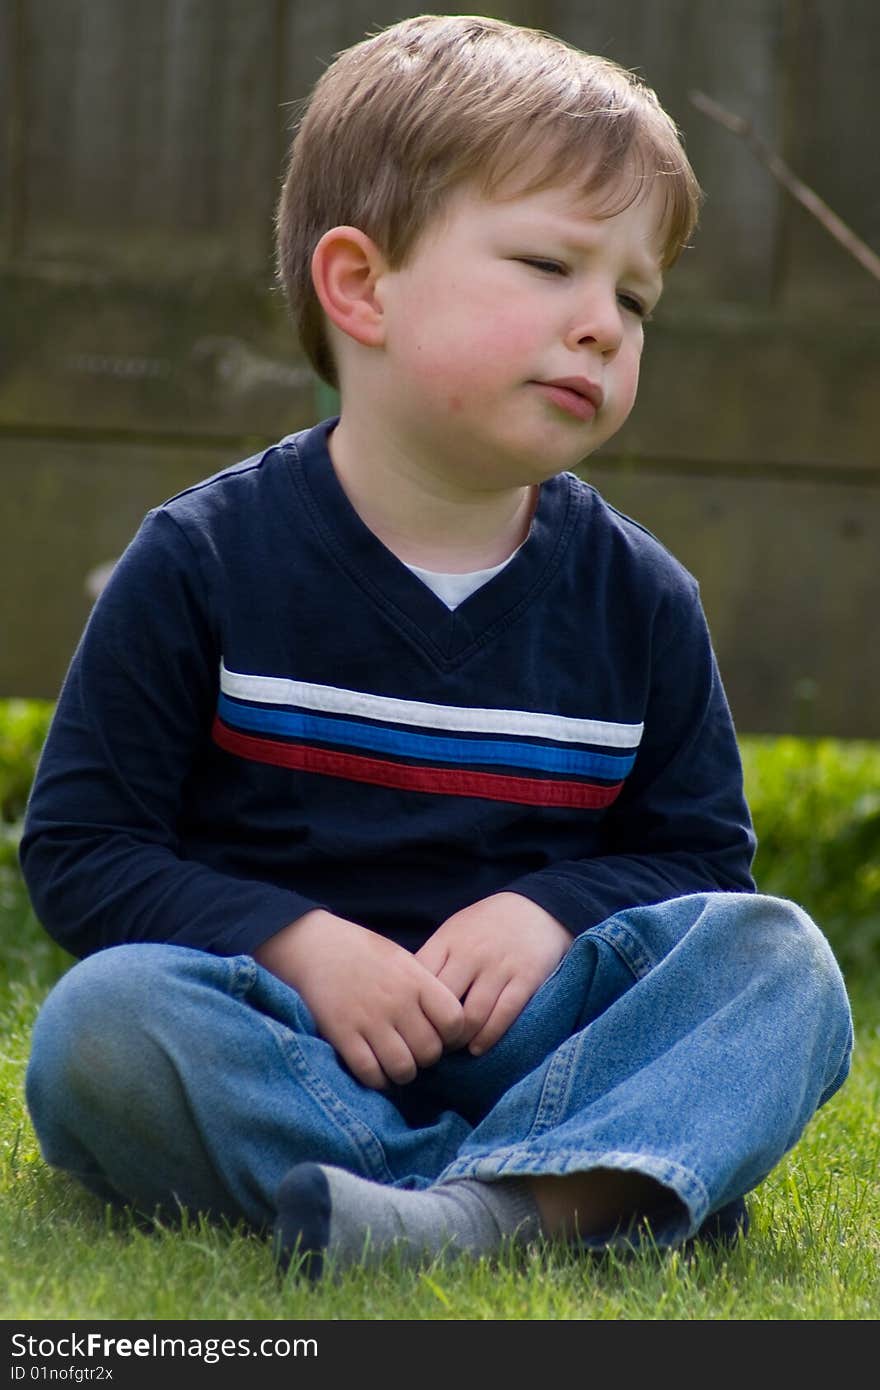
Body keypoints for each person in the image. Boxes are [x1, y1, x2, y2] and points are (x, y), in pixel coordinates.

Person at [21, 14, 852, 1280]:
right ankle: (559, 1193)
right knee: (102, 1031)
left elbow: (698, 863)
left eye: (633, 297)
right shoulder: (203, 560)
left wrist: (544, 909)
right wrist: (299, 942)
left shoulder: (639, 599)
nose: (602, 325)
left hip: (541, 1036)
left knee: (779, 966)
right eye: (547, 266)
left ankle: (460, 1212)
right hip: (291, 1038)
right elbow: (84, 852)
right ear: (361, 286)